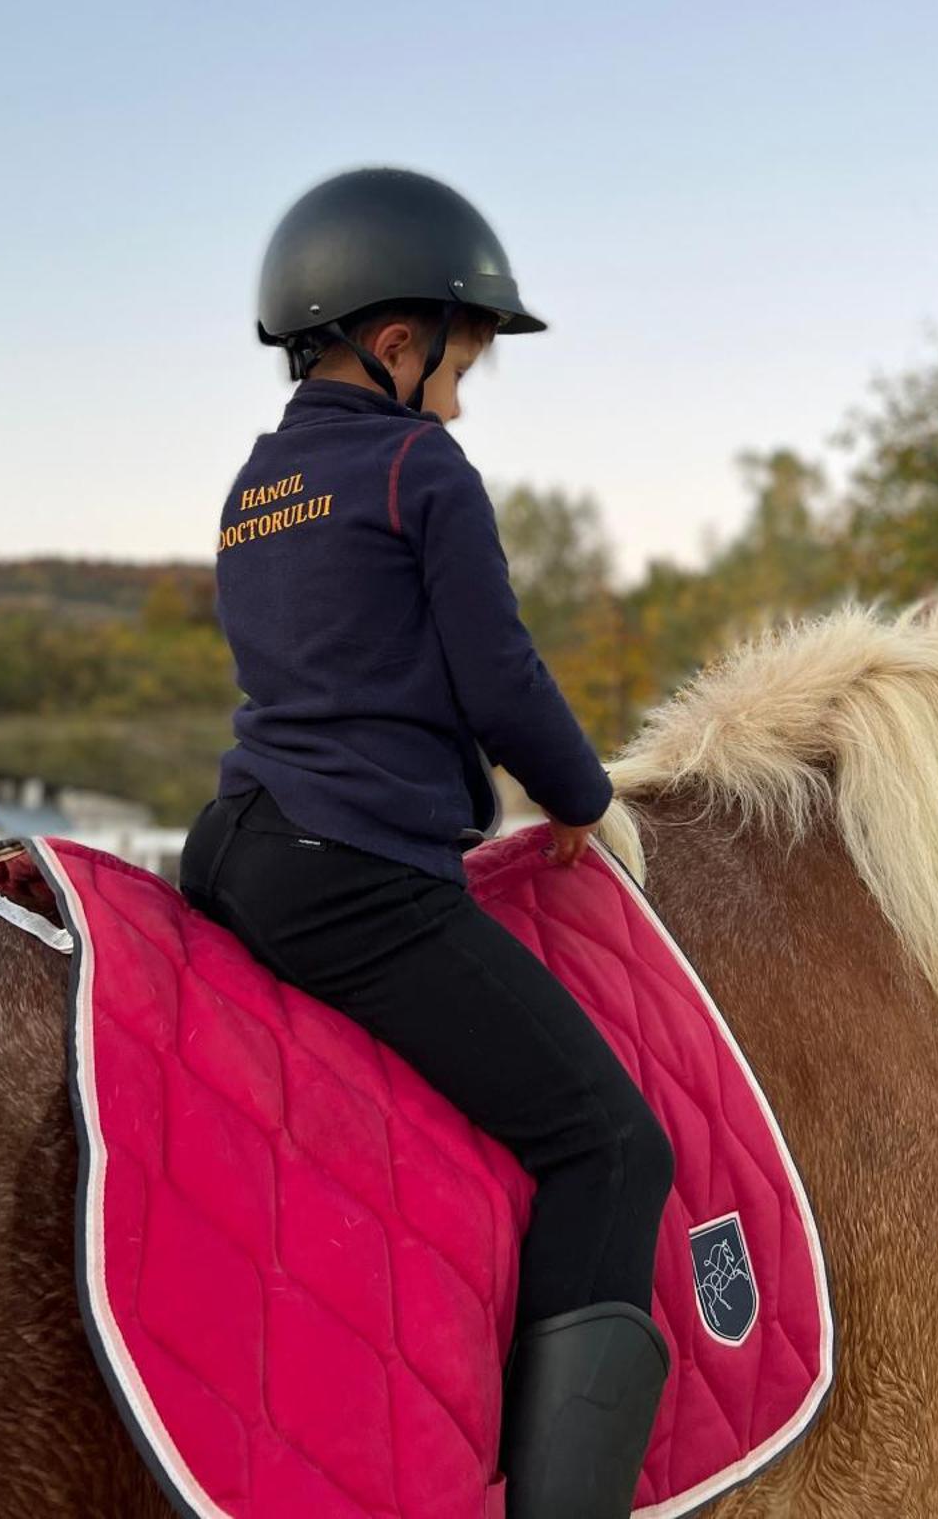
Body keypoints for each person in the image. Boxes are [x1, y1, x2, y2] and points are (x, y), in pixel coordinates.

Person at [180, 165, 675, 1519]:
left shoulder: (253, 484)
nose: (467, 389)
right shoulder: (418, 463)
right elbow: (498, 678)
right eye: (463, 357)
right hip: (353, 873)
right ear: (395, 346)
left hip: (236, 844)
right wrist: (585, 800)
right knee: (614, 1147)